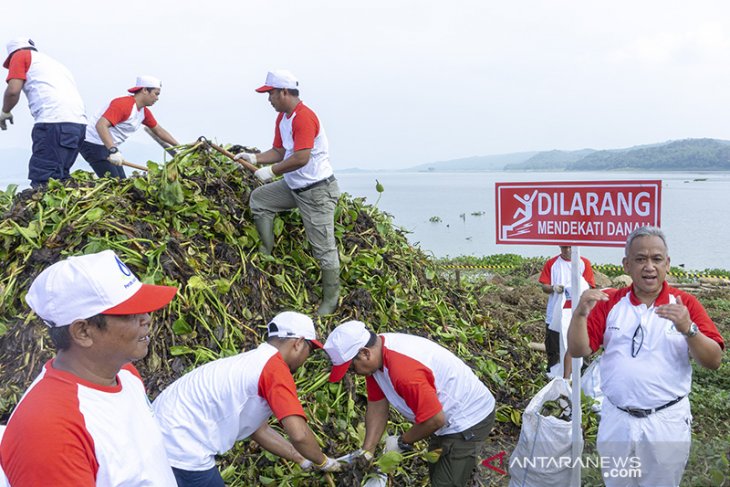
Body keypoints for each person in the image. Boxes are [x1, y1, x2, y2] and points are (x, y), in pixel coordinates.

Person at [0, 250, 179, 486]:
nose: (147, 318)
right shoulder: (51, 430)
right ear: (83, 332)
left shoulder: (125, 374)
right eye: (130, 313)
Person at [567, 226, 724, 486]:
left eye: (656, 259)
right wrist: (580, 315)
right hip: (617, 419)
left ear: (667, 264)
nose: (649, 266)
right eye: (640, 259)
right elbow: (578, 350)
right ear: (627, 265)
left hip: (666, 421)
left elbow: (714, 361)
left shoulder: (686, 304)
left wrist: (689, 329)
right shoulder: (609, 302)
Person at [152, 311, 342, 486]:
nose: (307, 357)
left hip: (160, 433)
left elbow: (259, 430)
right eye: (310, 349)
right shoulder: (274, 370)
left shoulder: (254, 362)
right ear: (298, 343)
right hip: (180, 444)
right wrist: (323, 461)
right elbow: (299, 434)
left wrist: (303, 459)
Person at [323, 320, 496, 487]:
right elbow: (377, 406)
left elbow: (435, 420)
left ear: (365, 353)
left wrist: (402, 441)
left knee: (445, 482)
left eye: (352, 368)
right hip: (441, 415)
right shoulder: (376, 356)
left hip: (469, 419)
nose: (353, 373)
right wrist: (367, 450)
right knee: (437, 471)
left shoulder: (403, 372)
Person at [236, 69, 341, 315]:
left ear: (284, 92)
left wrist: (271, 171)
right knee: (260, 199)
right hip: (294, 186)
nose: (268, 99)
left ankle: (331, 300)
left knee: (323, 247)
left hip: (317, 191)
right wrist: (254, 158)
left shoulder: (303, 117)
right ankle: (266, 251)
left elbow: (302, 158)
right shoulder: (283, 118)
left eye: (270, 93)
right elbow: (279, 151)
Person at [2, 37, 87, 187]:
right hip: (77, 125)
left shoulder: (20, 55)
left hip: (54, 122)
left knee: (44, 179)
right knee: (60, 180)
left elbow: (13, 90)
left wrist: (5, 111)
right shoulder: (52, 63)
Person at [80, 75, 179, 178]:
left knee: (122, 181)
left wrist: (179, 146)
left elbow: (159, 131)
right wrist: (113, 150)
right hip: (93, 143)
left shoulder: (143, 112)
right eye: (156, 94)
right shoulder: (124, 104)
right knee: (115, 184)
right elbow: (101, 125)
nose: (157, 98)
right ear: (145, 90)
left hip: (107, 146)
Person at [539, 245, 595, 378]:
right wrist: (554, 288)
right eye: (564, 248)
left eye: (570, 247)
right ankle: (554, 376)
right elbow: (544, 286)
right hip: (555, 313)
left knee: (582, 347)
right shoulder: (552, 264)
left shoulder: (583, 263)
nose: (567, 251)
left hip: (578, 314)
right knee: (554, 348)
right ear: (560, 247)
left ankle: (582, 377)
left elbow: (590, 286)